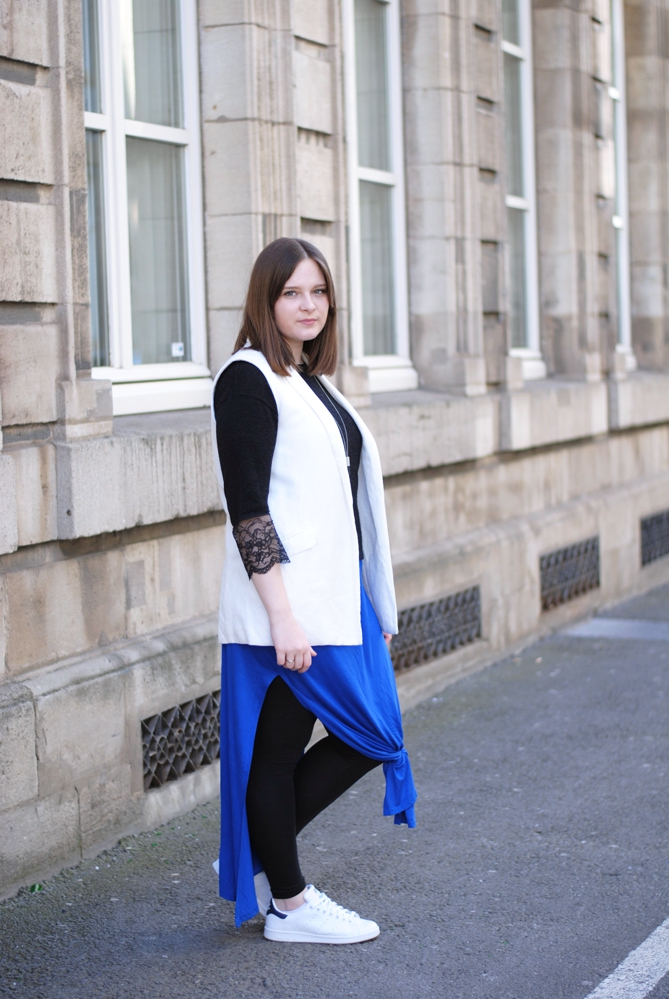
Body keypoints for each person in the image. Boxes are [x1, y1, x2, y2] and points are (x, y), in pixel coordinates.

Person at [211, 237, 416, 944]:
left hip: (334, 603)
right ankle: (290, 904)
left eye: (318, 291)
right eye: (292, 292)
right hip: (289, 608)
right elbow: (248, 510)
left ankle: (263, 855)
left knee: (343, 737)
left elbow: (342, 507)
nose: (308, 305)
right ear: (265, 301)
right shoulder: (247, 380)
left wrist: (368, 603)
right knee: (356, 736)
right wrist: (283, 618)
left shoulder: (305, 379)